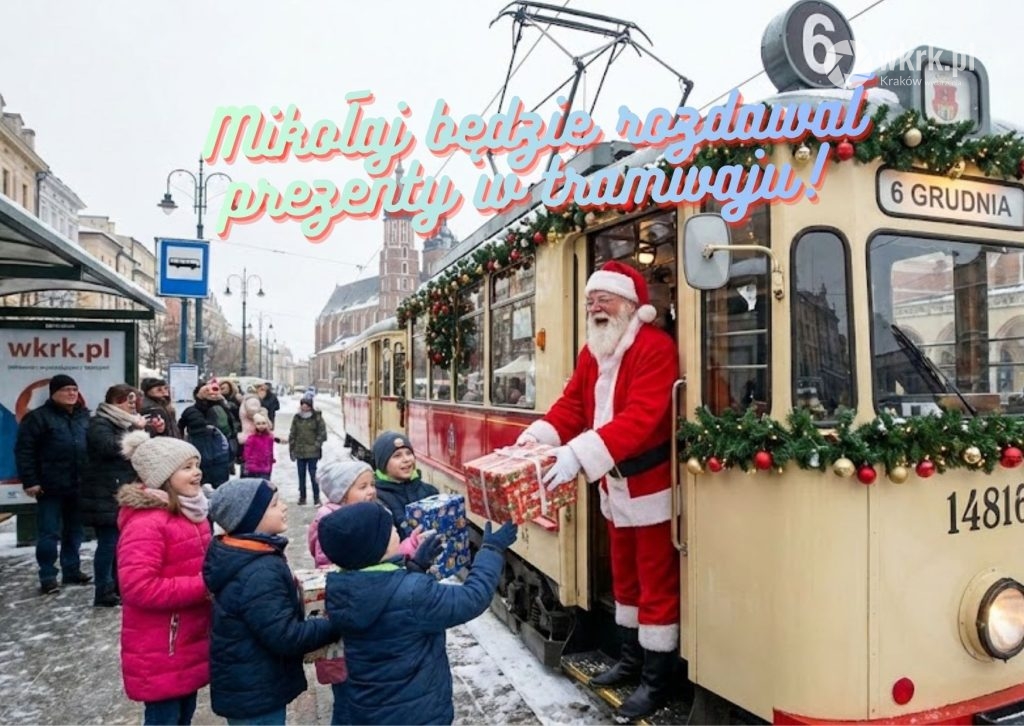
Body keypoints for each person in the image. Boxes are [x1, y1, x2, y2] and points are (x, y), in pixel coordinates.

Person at [518, 260, 680, 722]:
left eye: (603, 299)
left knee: (656, 582)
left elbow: (641, 417)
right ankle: (630, 661)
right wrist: (539, 436)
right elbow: (572, 405)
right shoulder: (594, 352)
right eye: (590, 301)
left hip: (650, 486)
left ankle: (657, 681)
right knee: (624, 578)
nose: (594, 307)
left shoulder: (655, 348)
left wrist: (578, 453)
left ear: (629, 304)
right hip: (614, 485)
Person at [318, 501, 518, 725]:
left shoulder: (341, 588)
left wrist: (415, 568)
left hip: (369, 709)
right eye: (390, 529)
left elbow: (386, 602)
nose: (397, 530)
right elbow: (472, 598)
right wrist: (491, 550)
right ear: (377, 547)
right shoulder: (413, 595)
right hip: (417, 714)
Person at [204, 478, 341, 725]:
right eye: (275, 504)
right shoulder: (259, 571)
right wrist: (336, 624)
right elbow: (286, 636)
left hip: (250, 685)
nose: (284, 507)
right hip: (255, 693)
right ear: (250, 518)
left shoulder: (248, 556)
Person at [116, 430, 212, 725]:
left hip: (187, 639)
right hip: (162, 645)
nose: (197, 472)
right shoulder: (147, 523)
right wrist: (205, 585)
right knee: (166, 718)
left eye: (196, 465)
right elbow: (138, 587)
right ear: (163, 476)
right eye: (186, 467)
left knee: (183, 714)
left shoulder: (189, 512)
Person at [14, 374, 92, 595]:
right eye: (66, 389)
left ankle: (71, 569)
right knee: (49, 532)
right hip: (49, 485)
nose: (71, 393)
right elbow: (24, 451)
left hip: (78, 484)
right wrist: (30, 480)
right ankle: (48, 575)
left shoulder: (84, 416)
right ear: (54, 393)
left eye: (74, 389)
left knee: (75, 531)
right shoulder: (38, 418)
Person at [82, 384, 148, 607]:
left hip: (120, 489)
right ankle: (103, 589)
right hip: (104, 491)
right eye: (128, 400)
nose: (132, 405)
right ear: (116, 401)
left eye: (133, 401)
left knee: (120, 543)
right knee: (108, 543)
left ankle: (118, 586)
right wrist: (136, 432)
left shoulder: (125, 422)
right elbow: (111, 447)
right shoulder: (99, 423)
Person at [371, 431, 439, 536]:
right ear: (382, 464)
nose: (406, 459)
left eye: (409, 453)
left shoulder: (430, 491)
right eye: (397, 456)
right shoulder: (377, 500)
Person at [289, 396, 327, 505]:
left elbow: (322, 433)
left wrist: (317, 445)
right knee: (301, 476)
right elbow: (292, 434)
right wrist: (292, 449)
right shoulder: (297, 418)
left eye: (306, 405)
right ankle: (302, 497)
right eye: (303, 405)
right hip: (300, 452)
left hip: (313, 453)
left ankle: (316, 498)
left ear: (310, 406)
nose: (304, 407)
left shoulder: (317, 418)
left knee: (313, 475)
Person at [241, 413, 278, 479]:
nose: (261, 426)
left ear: (267, 424)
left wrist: (271, 463)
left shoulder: (270, 437)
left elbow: (270, 452)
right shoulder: (251, 438)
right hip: (252, 469)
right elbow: (246, 454)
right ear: (254, 425)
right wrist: (248, 466)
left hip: (265, 468)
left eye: (263, 423)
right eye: (258, 424)